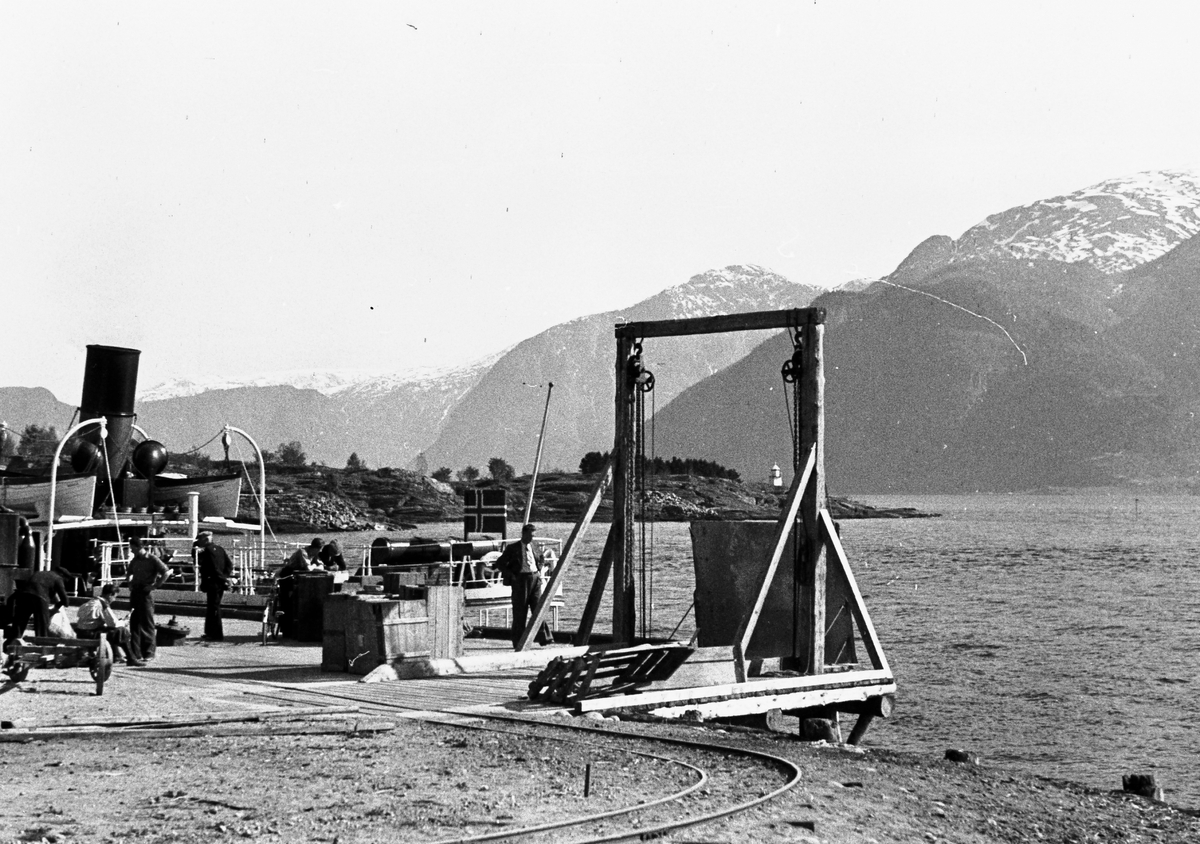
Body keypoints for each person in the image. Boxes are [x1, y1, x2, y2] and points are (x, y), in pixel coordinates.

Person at [495, 524, 553, 649]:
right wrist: (512, 575)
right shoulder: (513, 548)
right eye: (530, 535)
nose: (532, 538)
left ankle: (544, 638)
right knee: (520, 612)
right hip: (520, 580)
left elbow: (541, 558)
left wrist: (539, 569)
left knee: (538, 607)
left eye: (533, 536)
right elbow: (500, 563)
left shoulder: (535, 546)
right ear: (524, 534)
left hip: (535, 579)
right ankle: (518, 641)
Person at [124, 535, 171, 666]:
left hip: (145, 592)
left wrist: (155, 586)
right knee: (134, 622)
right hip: (135, 592)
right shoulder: (135, 560)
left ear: (139, 547)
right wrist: (129, 583)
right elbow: (129, 572)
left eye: (133, 548)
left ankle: (149, 652)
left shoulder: (152, 559)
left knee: (147, 623)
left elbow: (166, 572)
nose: (131, 551)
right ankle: (135, 652)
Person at [5, 566, 69, 639]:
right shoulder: (58, 578)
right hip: (40, 598)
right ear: (62, 575)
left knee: (20, 621)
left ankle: (13, 642)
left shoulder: (39, 573)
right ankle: (41, 643)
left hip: (23, 595)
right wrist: (57, 607)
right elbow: (65, 601)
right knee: (41, 624)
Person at [75, 583, 131, 661]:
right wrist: (124, 622)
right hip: (91, 634)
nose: (114, 600)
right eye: (114, 597)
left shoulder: (92, 601)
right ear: (110, 595)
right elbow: (114, 623)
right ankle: (132, 658)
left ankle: (116, 655)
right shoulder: (103, 604)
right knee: (121, 631)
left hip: (81, 632)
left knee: (110, 629)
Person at [195, 531, 235, 642]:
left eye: (199, 540)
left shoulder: (207, 551)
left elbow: (212, 567)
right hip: (220, 582)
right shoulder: (220, 549)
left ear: (204, 540)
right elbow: (229, 565)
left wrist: (221, 578)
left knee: (213, 608)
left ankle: (215, 633)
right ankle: (210, 632)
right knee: (214, 607)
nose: (198, 542)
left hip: (213, 581)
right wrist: (225, 577)